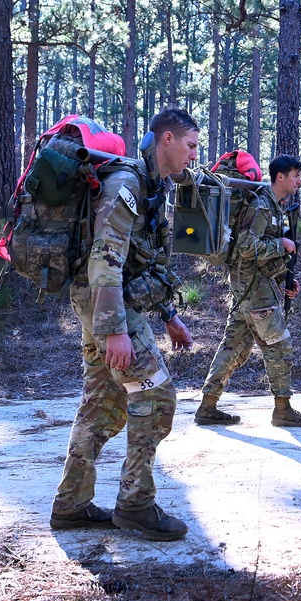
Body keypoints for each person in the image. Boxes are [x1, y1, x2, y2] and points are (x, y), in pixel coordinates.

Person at [50, 109, 198, 541]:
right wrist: (114, 329)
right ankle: (136, 504)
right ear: (166, 139)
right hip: (103, 305)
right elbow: (105, 259)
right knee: (157, 396)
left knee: (104, 404)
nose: (193, 155)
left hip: (100, 304)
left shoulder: (152, 188)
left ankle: (72, 505)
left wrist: (169, 317)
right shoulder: (127, 183)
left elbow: (142, 260)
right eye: (190, 145)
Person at [194, 154, 301, 428]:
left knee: (233, 347)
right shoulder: (262, 206)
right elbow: (247, 248)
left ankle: (207, 406)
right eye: (295, 175)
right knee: (278, 345)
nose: (299, 180)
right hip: (254, 290)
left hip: (248, 287)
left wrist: (286, 277)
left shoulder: (273, 205)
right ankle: (283, 409)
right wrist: (282, 245)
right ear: (280, 177)